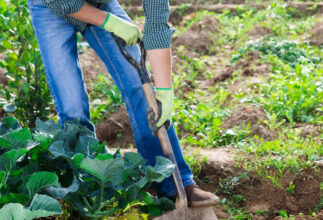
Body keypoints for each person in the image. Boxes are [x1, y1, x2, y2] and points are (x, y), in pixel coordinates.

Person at [27, 0, 219, 206]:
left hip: (100, 3)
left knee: (138, 83)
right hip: (49, 6)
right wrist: (111, 22)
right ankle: (87, 195)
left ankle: (175, 184)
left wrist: (164, 92)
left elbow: (157, 25)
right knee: (71, 104)